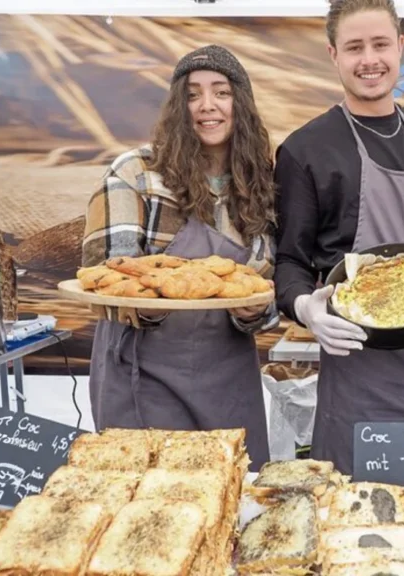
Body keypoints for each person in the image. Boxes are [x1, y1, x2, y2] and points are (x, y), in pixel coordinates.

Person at [272, 0, 404, 474]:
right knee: (353, 510)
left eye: (380, 44)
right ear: (333, 55)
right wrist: (306, 308)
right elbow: (289, 261)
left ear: (400, 46)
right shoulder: (305, 150)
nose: (369, 60)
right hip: (358, 376)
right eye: (354, 47)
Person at [81, 45, 278, 470]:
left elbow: (268, 293)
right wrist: (150, 301)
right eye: (192, 95)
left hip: (228, 380)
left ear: (241, 104)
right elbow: (104, 281)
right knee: (151, 495)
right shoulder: (135, 174)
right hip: (144, 379)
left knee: (233, 490)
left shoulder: (259, 185)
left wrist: (254, 312)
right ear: (177, 107)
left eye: (221, 92)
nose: (207, 105)